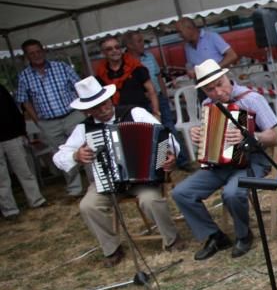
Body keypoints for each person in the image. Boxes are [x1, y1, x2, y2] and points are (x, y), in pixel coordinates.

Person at [53, 77, 181, 265]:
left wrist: (169, 155)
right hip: (106, 181)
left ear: (110, 99)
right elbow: (59, 157)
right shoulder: (84, 128)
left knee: (150, 200)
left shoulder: (134, 113)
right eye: (96, 108)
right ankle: (112, 248)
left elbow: (164, 137)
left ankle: (172, 240)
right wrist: (76, 156)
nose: (103, 109)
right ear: (87, 110)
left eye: (104, 104)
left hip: (141, 180)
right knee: (88, 206)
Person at [171, 59, 277, 260]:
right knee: (181, 192)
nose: (218, 93)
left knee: (231, 193)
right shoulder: (207, 105)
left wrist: (250, 136)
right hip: (220, 165)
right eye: (210, 90)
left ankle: (243, 235)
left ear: (227, 78)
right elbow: (211, 140)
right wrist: (199, 135)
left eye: (220, 84)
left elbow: (274, 137)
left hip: (254, 160)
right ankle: (215, 236)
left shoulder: (251, 99)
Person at [15, 39, 85, 197]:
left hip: (72, 116)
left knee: (86, 148)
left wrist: (85, 111)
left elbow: (79, 87)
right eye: (31, 53)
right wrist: (37, 121)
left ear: (44, 51)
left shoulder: (61, 67)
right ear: (26, 56)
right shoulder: (24, 77)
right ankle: (75, 189)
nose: (36, 55)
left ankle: (97, 184)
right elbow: (24, 101)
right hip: (49, 123)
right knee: (63, 155)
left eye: (38, 51)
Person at [124, 31, 189, 167]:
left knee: (170, 128)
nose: (143, 44)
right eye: (139, 41)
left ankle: (183, 160)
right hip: (142, 103)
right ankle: (161, 165)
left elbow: (158, 76)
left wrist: (164, 95)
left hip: (159, 97)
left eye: (142, 40)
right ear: (129, 45)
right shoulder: (125, 62)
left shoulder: (149, 56)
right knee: (152, 134)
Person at [0, 83, 46, 218]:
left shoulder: (1, 89)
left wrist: (22, 131)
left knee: (24, 170)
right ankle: (9, 210)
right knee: (1, 179)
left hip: (12, 136)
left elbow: (14, 110)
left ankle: (36, 200)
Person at [93, 35, 159, 117]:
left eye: (117, 47)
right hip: (119, 116)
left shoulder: (136, 66)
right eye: (109, 49)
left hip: (142, 113)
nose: (115, 51)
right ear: (103, 53)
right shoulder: (101, 73)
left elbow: (151, 91)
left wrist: (156, 113)